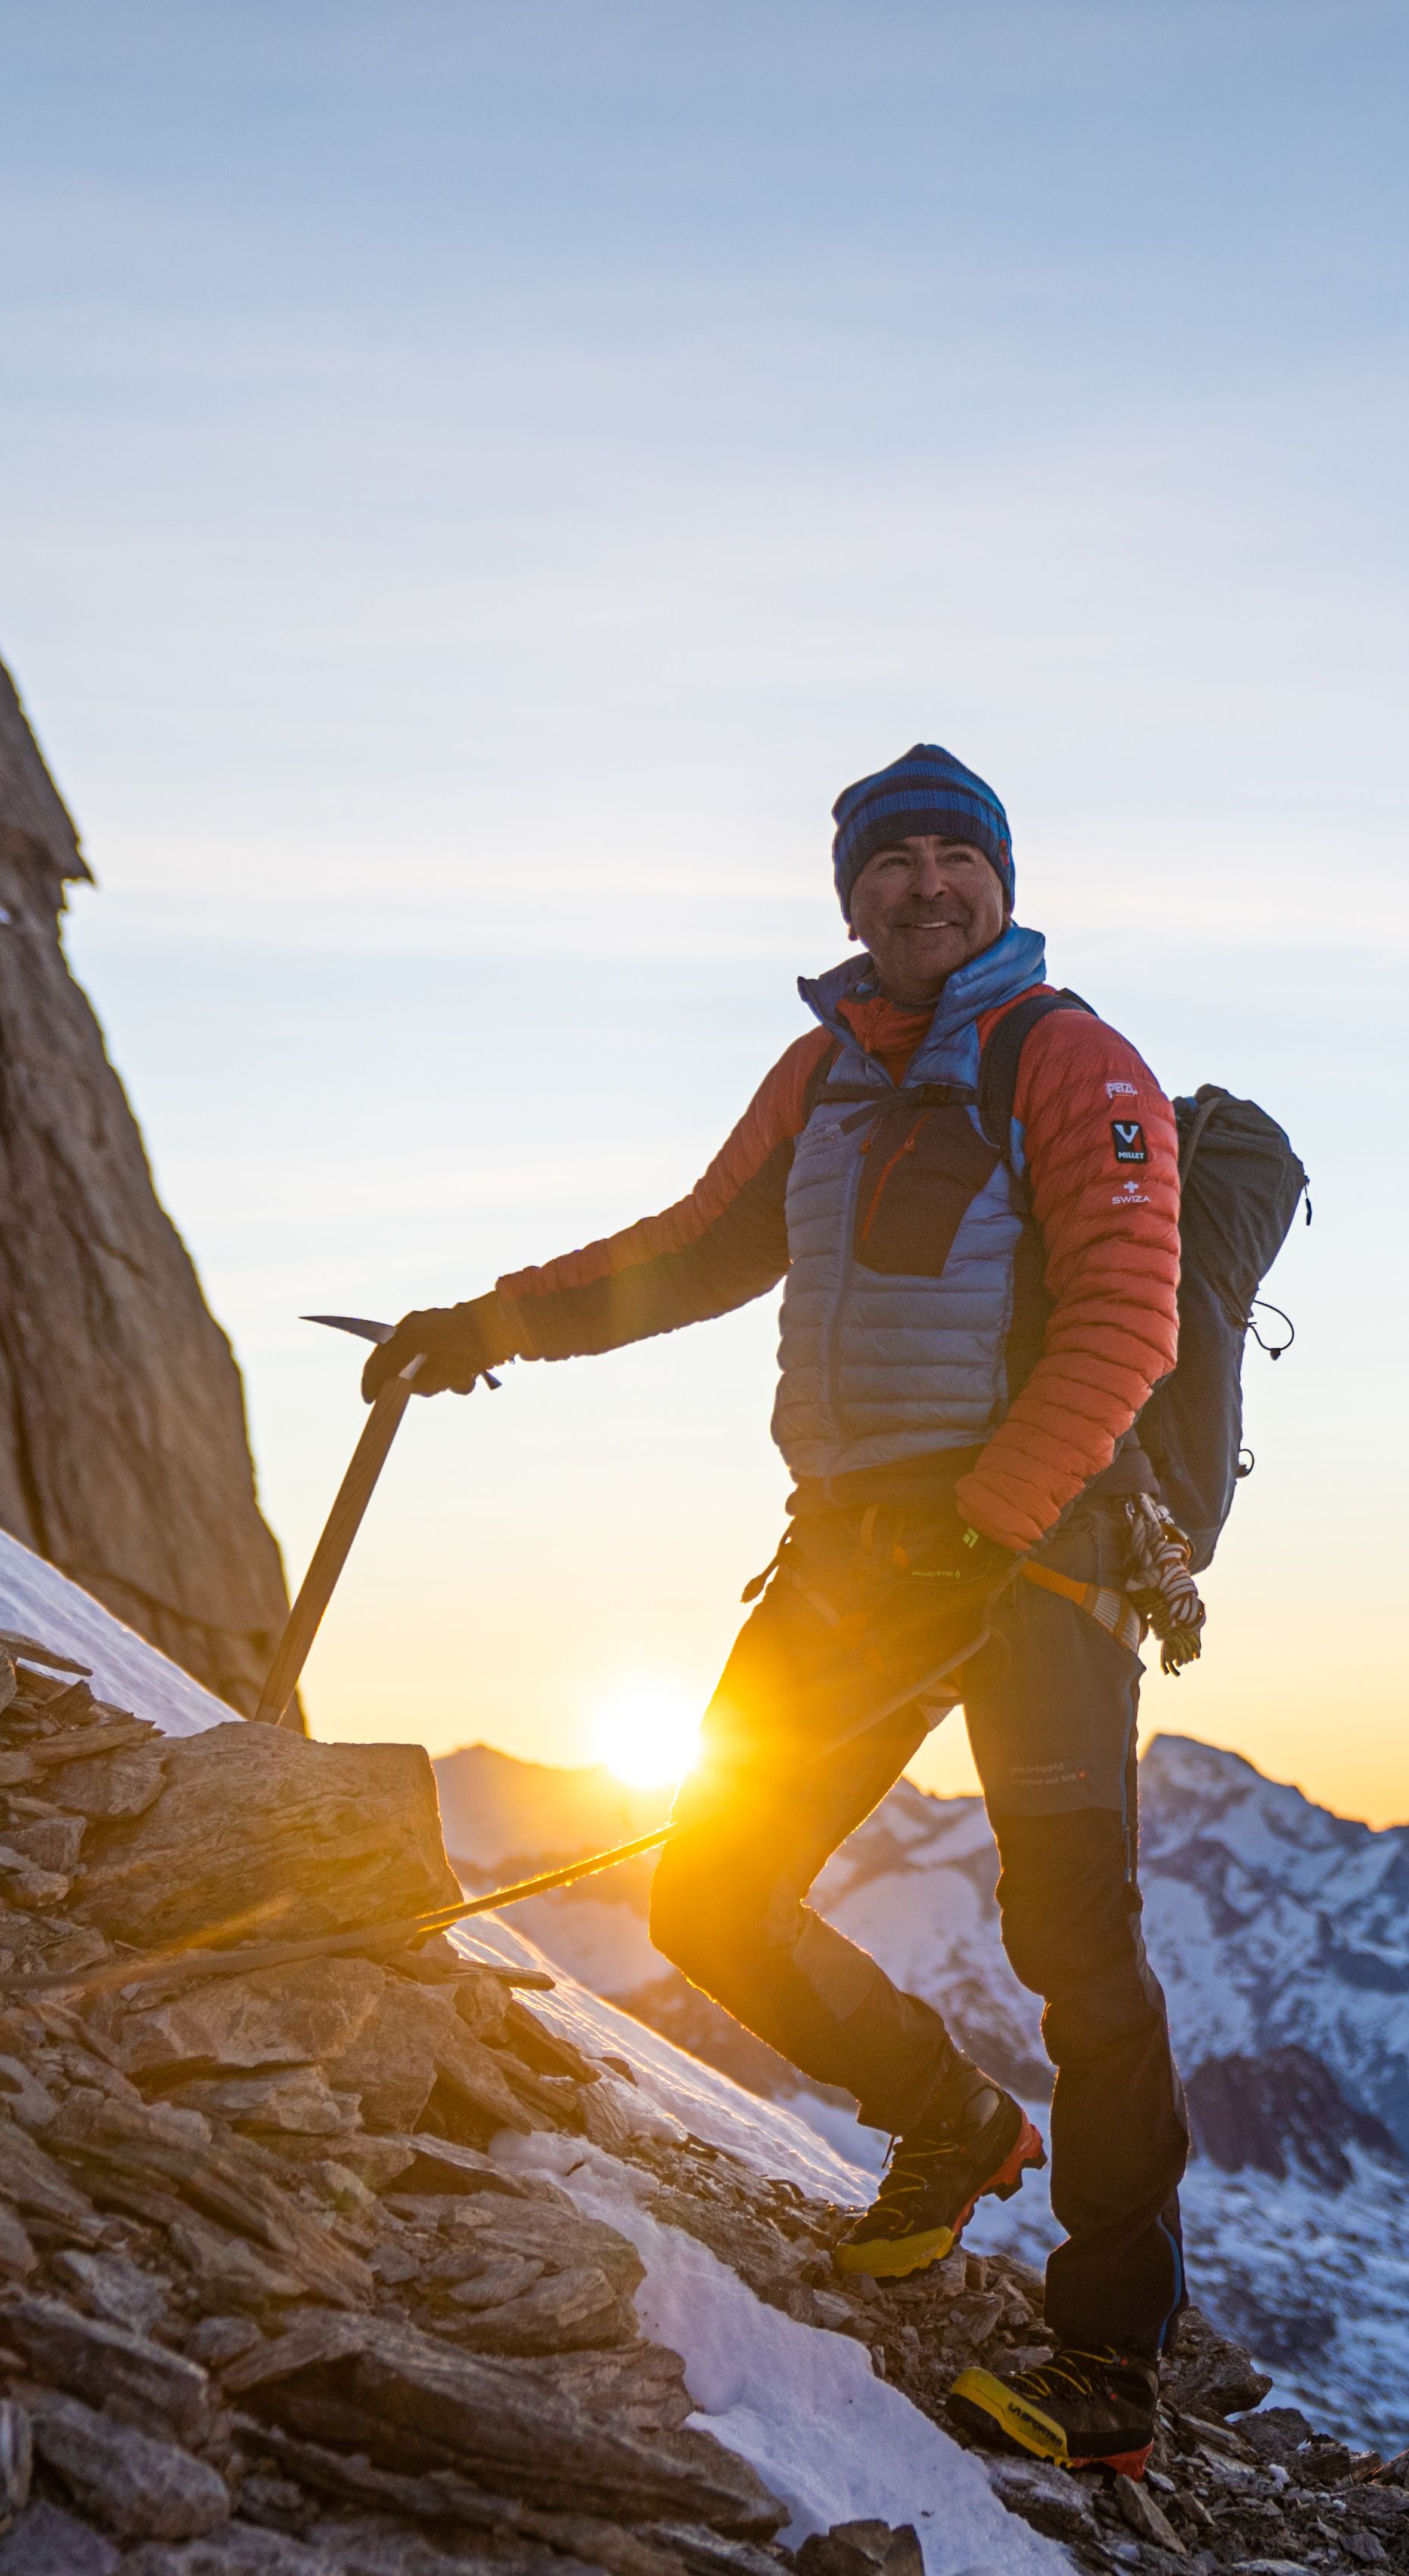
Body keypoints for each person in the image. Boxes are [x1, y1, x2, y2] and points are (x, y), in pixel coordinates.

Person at [363, 744, 1191, 2472]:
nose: (926, 885)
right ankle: (946, 2119)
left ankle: (1109, 2366)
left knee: (1078, 1953)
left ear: (1003, 886)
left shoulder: (1070, 1058)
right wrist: (490, 1325)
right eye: (892, 862)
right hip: (851, 1551)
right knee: (713, 1890)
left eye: (957, 857)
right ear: (850, 899)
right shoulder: (823, 1076)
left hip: (1039, 1563)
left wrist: (990, 1521)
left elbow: (1129, 1313)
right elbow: (694, 1247)